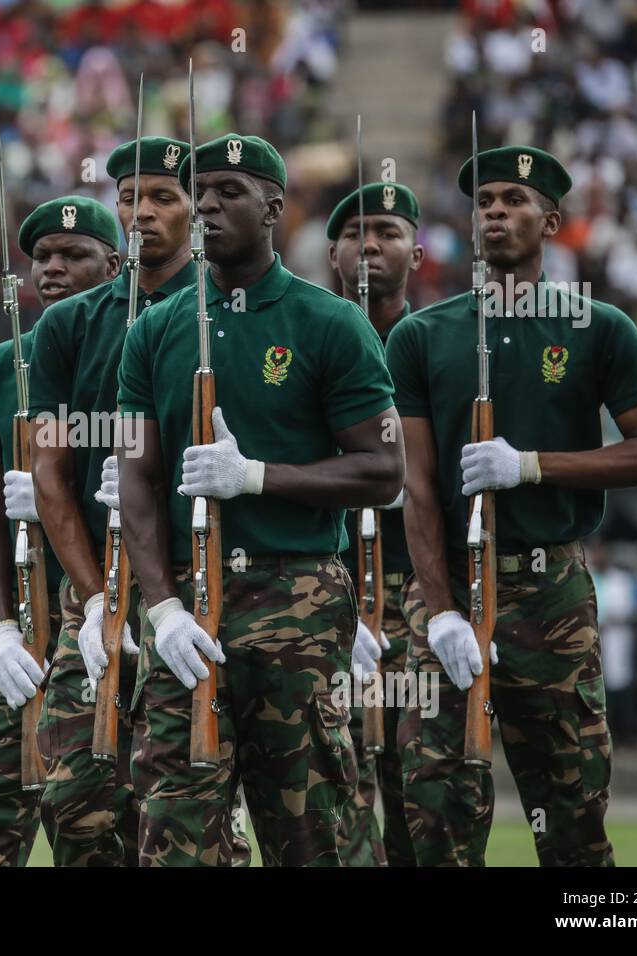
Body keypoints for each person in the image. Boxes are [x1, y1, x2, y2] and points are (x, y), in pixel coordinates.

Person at [117, 134, 404, 865]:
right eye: (199, 193)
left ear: (275, 207)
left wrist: (256, 477)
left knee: (307, 832)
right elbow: (135, 478)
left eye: (229, 191)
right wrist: (161, 608)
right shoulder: (154, 328)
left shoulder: (329, 322)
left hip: (296, 596)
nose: (208, 205)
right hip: (187, 603)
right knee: (175, 835)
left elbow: (382, 470)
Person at [386, 145, 637, 866]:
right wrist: (440, 608)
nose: (494, 214)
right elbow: (416, 487)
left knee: (573, 811)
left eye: (513, 200)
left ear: (550, 220)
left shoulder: (597, 327)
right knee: (435, 813)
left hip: (553, 594)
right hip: (448, 586)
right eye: (483, 202)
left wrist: (533, 466)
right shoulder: (423, 335)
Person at [27, 137, 200, 866]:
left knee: (189, 803)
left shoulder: (221, 312)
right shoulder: (68, 326)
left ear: (197, 209)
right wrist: (94, 597)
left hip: (198, 580)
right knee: (75, 798)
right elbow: (51, 473)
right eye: (130, 197)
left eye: (163, 196)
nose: (143, 212)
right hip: (99, 584)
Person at [0, 195, 120, 865]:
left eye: (73, 256)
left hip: (114, 615)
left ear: (113, 264)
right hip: (33, 613)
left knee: (96, 822)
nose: (51, 268)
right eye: (41, 257)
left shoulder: (139, 342)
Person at [326, 181, 424, 867]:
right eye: (356, 233)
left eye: (387, 232)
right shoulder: (306, 334)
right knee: (339, 785)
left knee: (427, 787)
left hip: (425, 585)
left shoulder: (442, 342)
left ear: (416, 251)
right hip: (329, 586)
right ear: (332, 253)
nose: (370, 245)